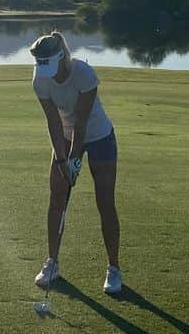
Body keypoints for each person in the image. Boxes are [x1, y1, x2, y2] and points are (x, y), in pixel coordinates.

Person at [30, 31, 122, 294]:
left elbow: (81, 124)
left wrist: (73, 163)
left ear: (62, 57)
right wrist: (62, 161)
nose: (44, 70)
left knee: (105, 201)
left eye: (48, 63)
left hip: (99, 136)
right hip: (66, 135)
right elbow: (53, 122)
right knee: (57, 197)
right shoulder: (41, 78)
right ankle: (52, 263)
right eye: (40, 64)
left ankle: (114, 269)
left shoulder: (83, 74)